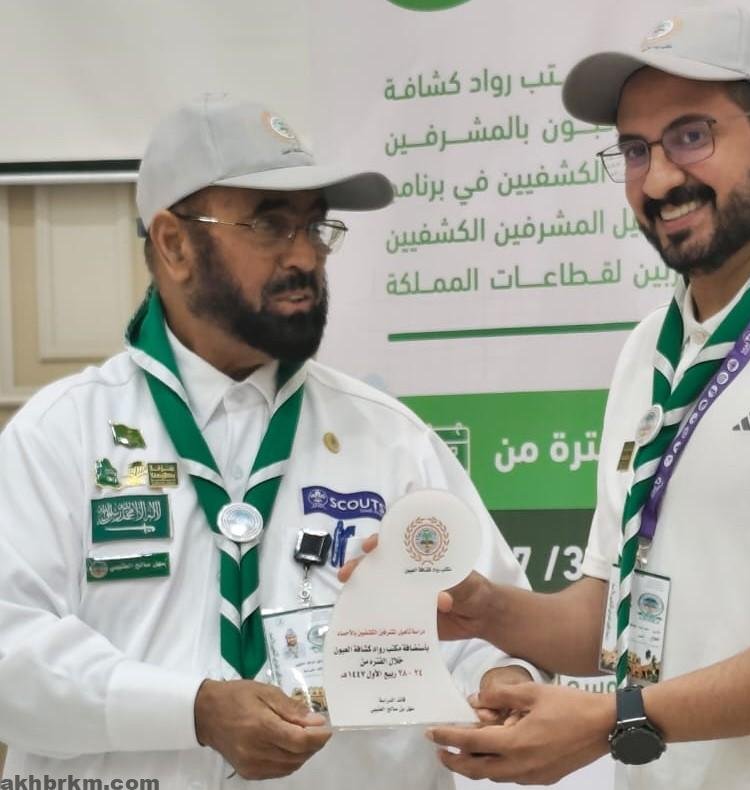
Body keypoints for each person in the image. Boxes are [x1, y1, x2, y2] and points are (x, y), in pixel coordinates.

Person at [401, 7, 750, 789]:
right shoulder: (650, 350)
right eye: (636, 150)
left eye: (691, 136)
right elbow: (610, 615)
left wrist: (621, 718)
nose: (659, 179)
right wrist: (487, 609)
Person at [0, 94, 535, 789]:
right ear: (174, 244)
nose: (305, 256)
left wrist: (501, 677)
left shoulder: (390, 438)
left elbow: (487, 626)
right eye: (270, 224)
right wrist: (192, 711)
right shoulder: (59, 435)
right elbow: (10, 652)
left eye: (315, 227)